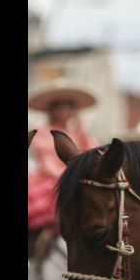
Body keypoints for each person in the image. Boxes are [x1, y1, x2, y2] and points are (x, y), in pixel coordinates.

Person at [28, 79, 99, 258]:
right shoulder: (42, 131)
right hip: (51, 180)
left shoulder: (82, 132)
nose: (63, 110)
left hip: (79, 178)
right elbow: (47, 163)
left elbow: (93, 154)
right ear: (50, 109)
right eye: (58, 106)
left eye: (68, 106)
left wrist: (80, 126)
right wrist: (71, 177)